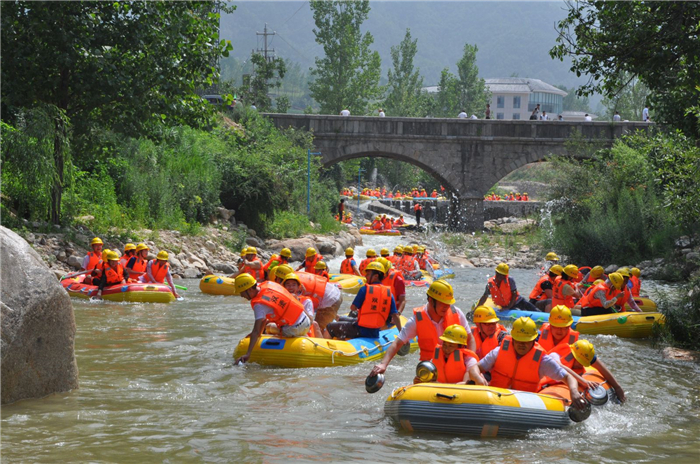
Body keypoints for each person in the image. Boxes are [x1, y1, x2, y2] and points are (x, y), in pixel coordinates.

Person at [369, 280, 474, 378]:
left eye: (448, 303)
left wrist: (470, 362)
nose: (446, 307)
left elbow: (470, 339)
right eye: (442, 303)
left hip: (457, 368)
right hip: (429, 370)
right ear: (431, 300)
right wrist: (383, 364)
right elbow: (397, 343)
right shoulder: (417, 320)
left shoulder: (457, 313)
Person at [477, 317, 586, 409]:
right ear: (513, 339)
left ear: (533, 341)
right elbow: (476, 367)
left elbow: (568, 377)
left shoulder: (542, 360)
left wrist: (574, 391)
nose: (522, 345)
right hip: (496, 398)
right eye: (519, 340)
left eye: (526, 341)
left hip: (525, 404)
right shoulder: (499, 351)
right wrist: (478, 378)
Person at [234, 274, 311, 364]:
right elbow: (262, 321)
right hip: (306, 321)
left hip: (295, 328)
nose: (241, 295)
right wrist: (258, 333)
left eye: (242, 292)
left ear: (250, 289)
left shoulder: (259, 305)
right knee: (268, 325)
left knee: (269, 328)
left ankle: (298, 337)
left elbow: (256, 330)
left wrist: (248, 354)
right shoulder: (268, 285)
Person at [325, 262, 401, 340]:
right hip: (375, 331)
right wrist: (401, 333)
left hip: (360, 330)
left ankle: (325, 347)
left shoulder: (365, 289)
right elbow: (395, 315)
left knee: (330, 326)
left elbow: (353, 308)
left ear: (375, 276)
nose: (365, 276)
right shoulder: (389, 293)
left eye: (368, 274)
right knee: (341, 319)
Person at [550, 339, 626, 403]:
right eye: (580, 362)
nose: (581, 366)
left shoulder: (583, 354)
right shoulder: (554, 355)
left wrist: (617, 387)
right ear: (573, 356)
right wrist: (584, 381)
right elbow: (561, 368)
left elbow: (599, 365)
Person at [281, 273, 323, 338]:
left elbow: (311, 320)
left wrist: (297, 304)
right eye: (288, 285)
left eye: (293, 285)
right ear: (284, 287)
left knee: (315, 323)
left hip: (302, 329)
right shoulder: (281, 300)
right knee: (270, 326)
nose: (291, 287)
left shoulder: (306, 301)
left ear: (298, 288)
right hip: (286, 328)